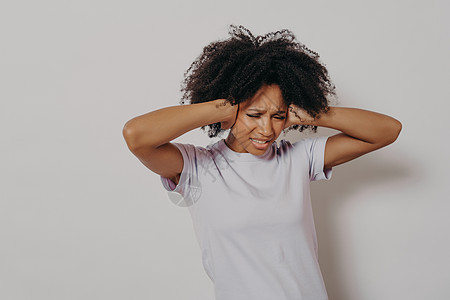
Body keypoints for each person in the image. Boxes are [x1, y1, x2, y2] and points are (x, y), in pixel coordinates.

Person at [122, 24, 402, 300]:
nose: (267, 130)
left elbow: (387, 131)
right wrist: (224, 105)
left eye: (277, 117)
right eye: (254, 115)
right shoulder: (197, 166)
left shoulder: (298, 159)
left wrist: (312, 112)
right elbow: (137, 136)